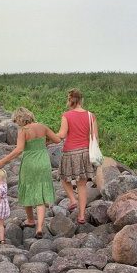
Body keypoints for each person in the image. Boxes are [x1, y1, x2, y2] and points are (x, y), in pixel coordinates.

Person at [0, 107, 60, 238]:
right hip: (43, 162)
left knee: (27, 189)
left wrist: (2, 162)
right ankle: (40, 227)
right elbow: (58, 140)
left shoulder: (23, 131)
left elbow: (19, 150)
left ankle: (30, 220)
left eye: (16, 121)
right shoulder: (42, 126)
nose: (17, 123)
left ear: (20, 119)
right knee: (41, 194)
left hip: (29, 162)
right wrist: (44, 143)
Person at [56, 88, 98, 225]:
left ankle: (73, 200)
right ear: (81, 100)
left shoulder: (66, 116)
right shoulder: (90, 116)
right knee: (82, 185)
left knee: (64, 178)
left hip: (69, 152)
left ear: (70, 100)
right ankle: (81, 216)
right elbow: (95, 137)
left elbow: (61, 135)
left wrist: (48, 138)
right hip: (85, 152)